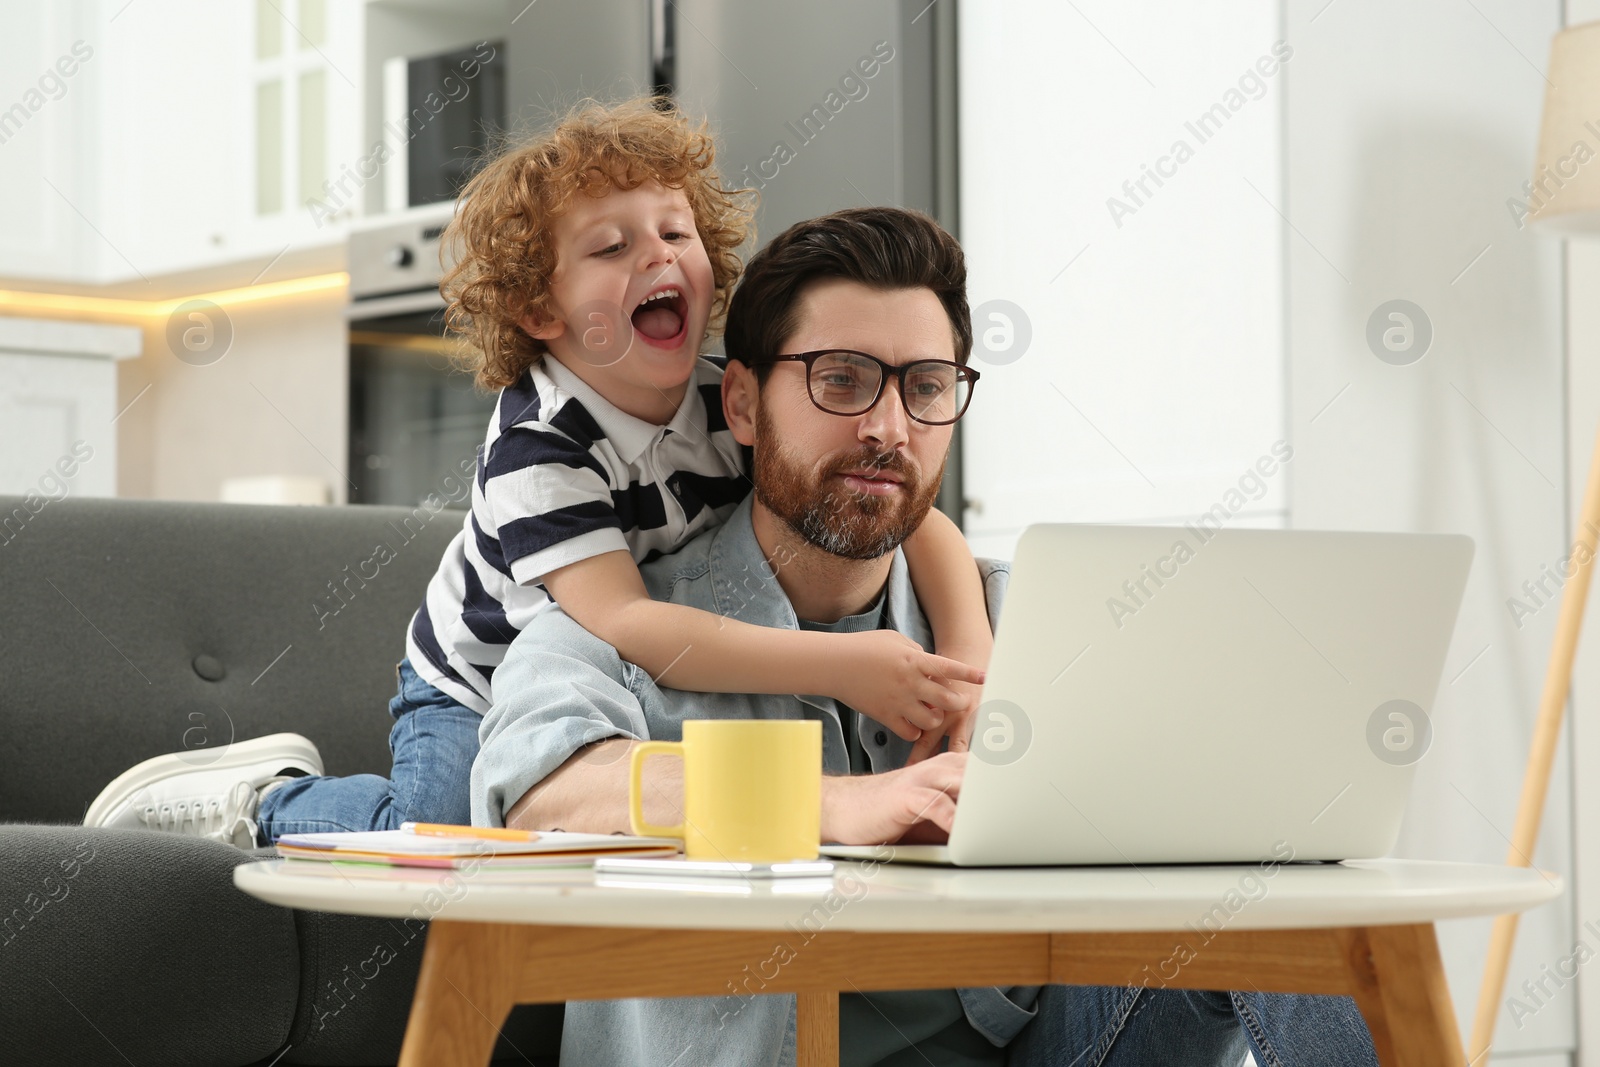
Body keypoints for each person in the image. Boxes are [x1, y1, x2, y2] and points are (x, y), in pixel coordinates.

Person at [473, 205, 1381, 1067]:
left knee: (1272, 875)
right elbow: (541, 788)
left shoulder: (1014, 617)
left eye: (927, 387)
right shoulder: (621, 617)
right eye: (841, 379)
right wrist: (829, 808)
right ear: (742, 406)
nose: (887, 428)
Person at [82, 97, 992, 847]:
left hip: (606, 662)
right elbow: (628, 619)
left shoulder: (733, 397)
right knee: (447, 836)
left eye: (676, 231)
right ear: (537, 308)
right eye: (610, 247)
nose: (659, 255)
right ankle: (261, 801)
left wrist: (976, 675)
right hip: (476, 677)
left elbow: (926, 524)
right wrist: (840, 665)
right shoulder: (537, 448)